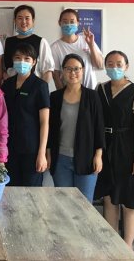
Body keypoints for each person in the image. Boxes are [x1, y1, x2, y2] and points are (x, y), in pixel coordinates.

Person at [94, 50, 134, 250]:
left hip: (127, 147)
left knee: (129, 199)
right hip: (105, 145)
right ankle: (113, 244)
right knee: (109, 197)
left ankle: (127, 246)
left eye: (119, 64)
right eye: (110, 63)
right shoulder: (100, 88)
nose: (114, 67)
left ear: (126, 66)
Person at [48, 53, 105, 202]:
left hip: (86, 158)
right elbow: (50, 129)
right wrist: (48, 153)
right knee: (64, 203)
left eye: (76, 69)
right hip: (60, 159)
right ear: (62, 71)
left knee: (84, 204)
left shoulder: (92, 96)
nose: (72, 72)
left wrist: (98, 155)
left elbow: (99, 127)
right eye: (68, 69)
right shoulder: (55, 97)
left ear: (83, 70)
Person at [1, 43, 49, 186]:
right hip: (9, 148)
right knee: (10, 191)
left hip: (31, 150)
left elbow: (44, 122)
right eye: (18, 58)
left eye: (27, 59)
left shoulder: (40, 85)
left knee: (31, 193)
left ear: (34, 62)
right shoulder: (7, 85)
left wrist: (42, 153)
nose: (22, 62)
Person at [50, 8, 104, 90]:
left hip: (91, 90)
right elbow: (56, 75)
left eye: (72, 22)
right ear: (59, 23)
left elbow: (100, 65)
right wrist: (61, 94)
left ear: (78, 23)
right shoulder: (55, 47)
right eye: (65, 22)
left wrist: (91, 45)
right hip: (69, 93)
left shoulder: (86, 40)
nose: (68, 25)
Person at [3, 4, 55, 84]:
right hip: (12, 87)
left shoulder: (41, 42)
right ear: (15, 21)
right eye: (20, 18)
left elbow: (47, 71)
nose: (23, 21)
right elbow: (4, 69)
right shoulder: (8, 42)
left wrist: (41, 88)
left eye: (27, 18)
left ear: (33, 21)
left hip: (34, 87)